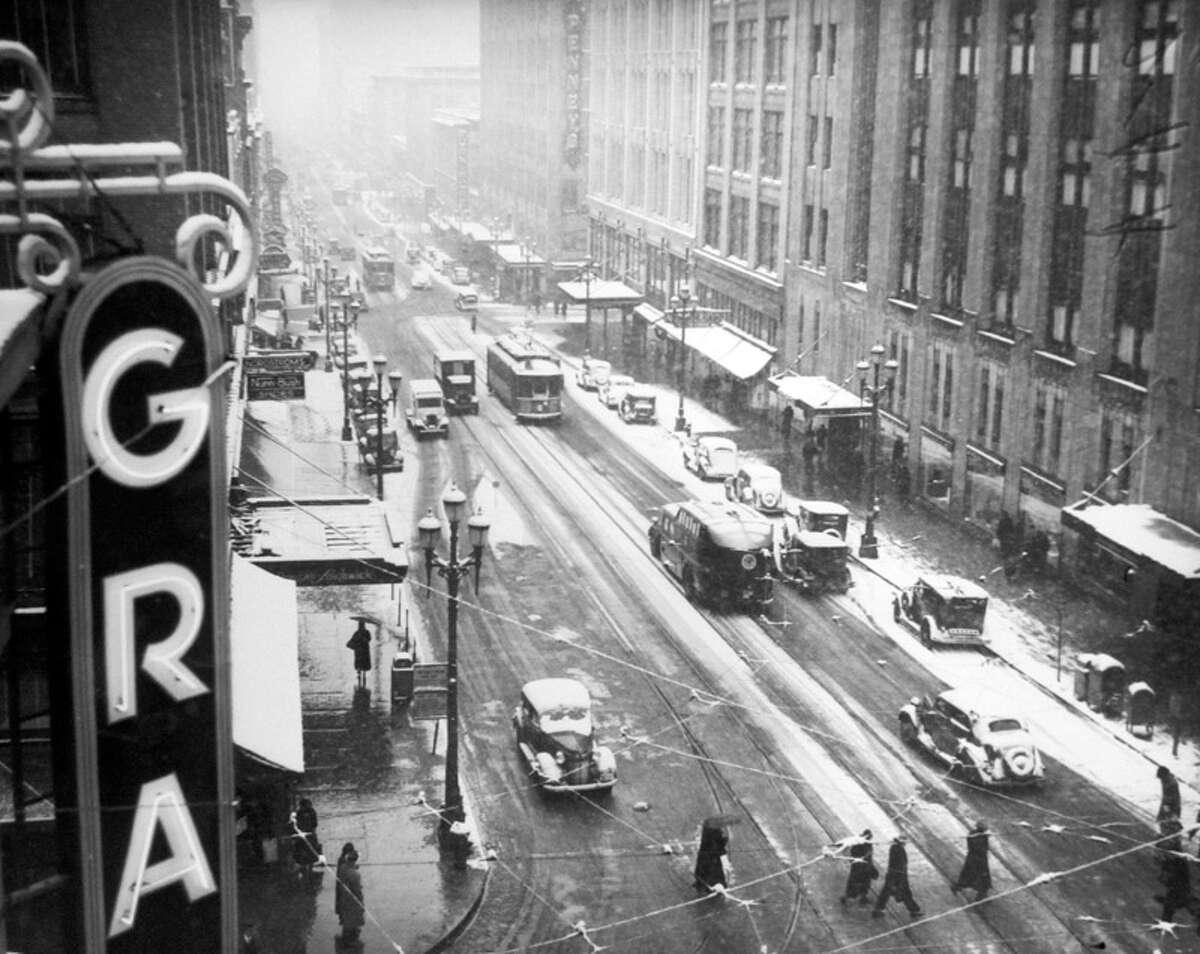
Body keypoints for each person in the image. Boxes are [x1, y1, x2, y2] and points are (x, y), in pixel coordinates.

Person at [872, 834, 922, 918]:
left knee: (895, 892)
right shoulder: (898, 849)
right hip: (897, 875)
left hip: (896, 874)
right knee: (891, 892)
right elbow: (901, 864)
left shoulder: (895, 848)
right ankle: (913, 910)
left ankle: (913, 910)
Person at [952, 820, 993, 901]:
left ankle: (981, 893)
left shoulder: (975, 834)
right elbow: (981, 849)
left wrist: (985, 836)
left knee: (971, 876)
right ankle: (979, 895)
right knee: (978, 877)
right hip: (978, 860)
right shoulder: (975, 837)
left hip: (974, 859)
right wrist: (985, 837)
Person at [335, 843, 365, 943]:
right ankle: (350, 938)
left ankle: (347, 935)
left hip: (343, 895)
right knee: (352, 917)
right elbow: (357, 891)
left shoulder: (342, 865)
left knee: (346, 916)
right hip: (351, 899)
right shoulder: (354, 875)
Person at [840, 829, 877, 905]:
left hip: (862, 866)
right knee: (857, 883)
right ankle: (846, 897)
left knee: (864, 883)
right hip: (860, 867)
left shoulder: (864, 843)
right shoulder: (861, 844)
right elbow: (859, 854)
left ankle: (862, 897)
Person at [693, 820, 730, 892]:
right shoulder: (712, 836)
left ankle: (702, 884)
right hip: (710, 860)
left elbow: (719, 846)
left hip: (707, 858)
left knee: (703, 878)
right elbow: (719, 847)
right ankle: (705, 884)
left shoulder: (708, 835)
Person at [291, 798, 320, 869]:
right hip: (305, 836)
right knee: (307, 853)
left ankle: (308, 867)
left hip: (307, 835)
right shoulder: (301, 812)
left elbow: (314, 824)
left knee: (310, 854)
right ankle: (306, 867)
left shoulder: (309, 812)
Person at [346, 620, 372, 689]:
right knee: (363, 664)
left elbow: (369, 639)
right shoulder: (365, 632)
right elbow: (369, 639)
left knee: (361, 663)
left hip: (360, 652)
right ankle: (361, 673)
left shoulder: (358, 633)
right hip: (363, 652)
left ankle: (360, 673)